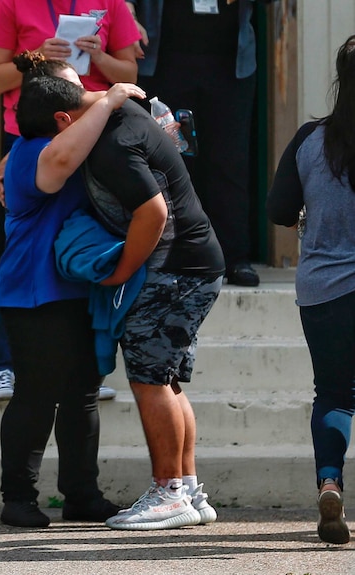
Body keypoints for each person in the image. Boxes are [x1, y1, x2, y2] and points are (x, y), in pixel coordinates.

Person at [49, 53, 225, 530]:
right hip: (194, 265)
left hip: (176, 269)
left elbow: (153, 213)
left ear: (65, 119)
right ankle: (187, 490)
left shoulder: (112, 143)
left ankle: (169, 493)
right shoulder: (122, 114)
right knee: (166, 380)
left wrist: (121, 271)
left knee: (150, 381)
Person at [0, 53, 144, 527]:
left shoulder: (68, 139)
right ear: (58, 113)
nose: (90, 100)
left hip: (78, 291)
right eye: (79, 96)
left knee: (83, 393)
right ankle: (18, 498)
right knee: (36, 397)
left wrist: (120, 100)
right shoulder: (29, 152)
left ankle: (82, 494)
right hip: (33, 295)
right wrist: (114, 95)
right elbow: (60, 157)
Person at [0, 0, 140, 401]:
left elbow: (130, 73)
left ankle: (90, 364)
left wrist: (98, 55)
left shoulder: (113, 5)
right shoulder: (10, 4)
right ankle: (4, 365)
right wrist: (32, 60)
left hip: (92, 130)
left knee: (89, 239)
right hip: (33, 132)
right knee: (22, 243)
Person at [266, 35, 355, 545]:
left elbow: (278, 211)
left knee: (336, 395)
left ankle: (329, 481)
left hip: (324, 287)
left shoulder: (308, 138)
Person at [125, 0, 273, 287]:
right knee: (170, 160)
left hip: (230, 66)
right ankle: (175, 256)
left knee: (230, 161)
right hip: (165, 60)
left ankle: (234, 257)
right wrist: (128, 12)